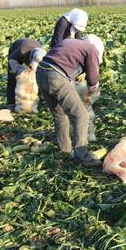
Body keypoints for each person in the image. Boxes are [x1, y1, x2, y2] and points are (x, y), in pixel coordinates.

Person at [36, 35, 104, 166]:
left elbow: (63, 60)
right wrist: (92, 89)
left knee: (60, 114)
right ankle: (81, 156)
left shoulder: (69, 42)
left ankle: (65, 149)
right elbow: (93, 77)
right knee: (81, 115)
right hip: (56, 76)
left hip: (40, 72)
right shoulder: (91, 49)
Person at [6, 38, 45, 109]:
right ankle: (11, 103)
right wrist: (20, 71)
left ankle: (42, 98)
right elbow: (11, 64)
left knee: (40, 77)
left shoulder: (43, 55)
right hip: (16, 48)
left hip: (33, 47)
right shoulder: (20, 52)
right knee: (12, 78)